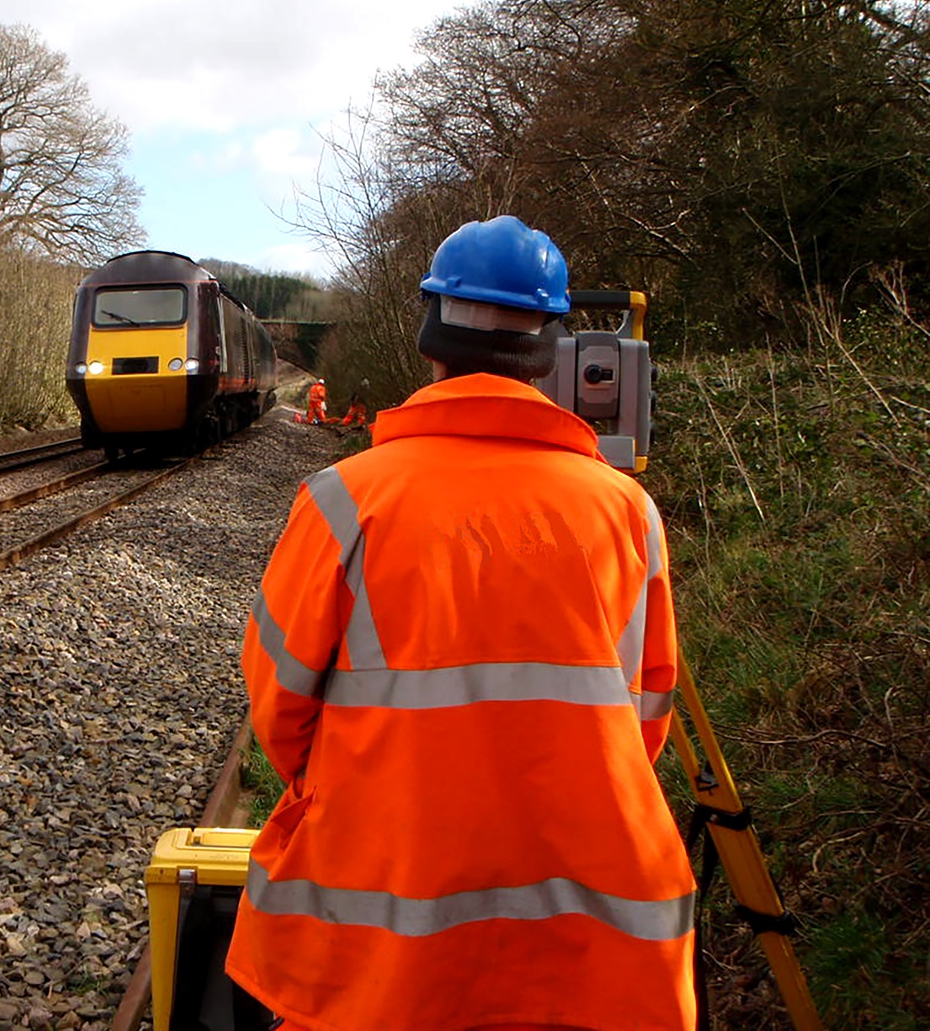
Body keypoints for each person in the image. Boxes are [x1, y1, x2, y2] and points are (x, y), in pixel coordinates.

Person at [225, 215, 697, 1031]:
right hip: (589, 960)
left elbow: (279, 708)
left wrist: (360, 788)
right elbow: (645, 723)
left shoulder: (345, 500)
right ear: (551, 351)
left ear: (429, 336)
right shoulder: (629, 512)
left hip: (381, 956)